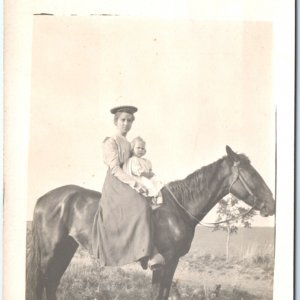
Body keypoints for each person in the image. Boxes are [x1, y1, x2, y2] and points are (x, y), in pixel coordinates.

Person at [92, 105, 165, 270]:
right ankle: (144, 252)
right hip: (116, 183)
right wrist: (134, 183)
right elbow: (115, 168)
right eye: (123, 120)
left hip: (130, 178)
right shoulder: (110, 142)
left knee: (155, 198)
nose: (126, 123)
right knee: (140, 205)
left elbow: (135, 164)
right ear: (116, 121)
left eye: (129, 120)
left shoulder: (129, 143)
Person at [123, 136, 164, 208]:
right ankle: (151, 202)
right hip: (139, 179)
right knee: (149, 185)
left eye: (142, 148)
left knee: (158, 184)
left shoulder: (146, 161)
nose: (140, 150)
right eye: (138, 148)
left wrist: (152, 174)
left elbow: (150, 171)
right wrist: (147, 174)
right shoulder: (133, 160)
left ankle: (158, 202)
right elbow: (138, 172)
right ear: (133, 149)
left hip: (146, 177)